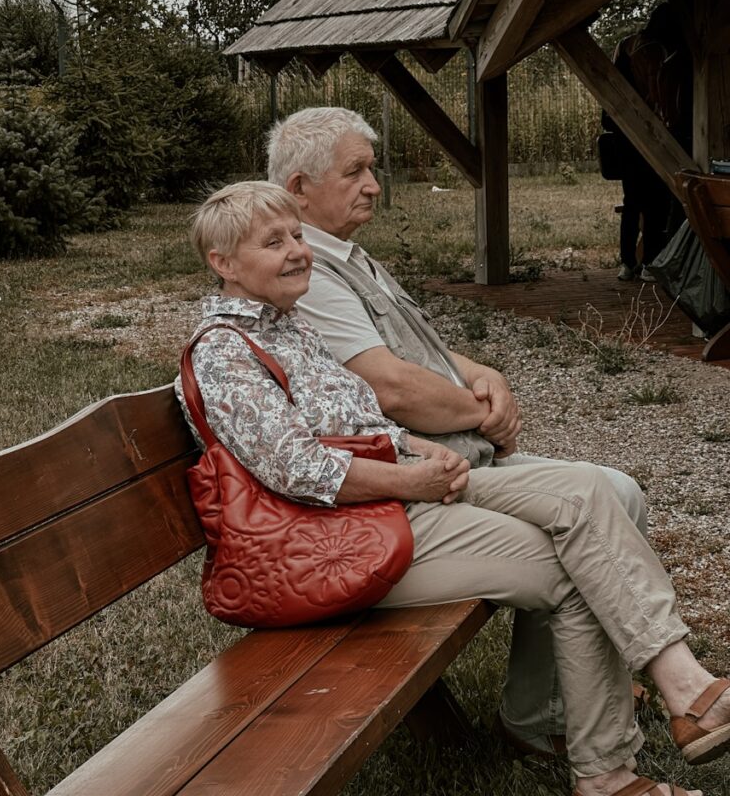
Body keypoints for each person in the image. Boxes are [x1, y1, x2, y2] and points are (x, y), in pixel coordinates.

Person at [176, 180, 730, 796]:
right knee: (580, 567)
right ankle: (610, 771)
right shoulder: (225, 352)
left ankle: (679, 681)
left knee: (588, 492)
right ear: (222, 264)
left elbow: (355, 422)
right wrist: (409, 475)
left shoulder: (288, 324)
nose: (298, 250)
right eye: (272, 242)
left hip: (388, 502)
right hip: (337, 542)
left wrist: (417, 448)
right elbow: (298, 470)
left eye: (298, 235)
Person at [267, 104, 650, 758]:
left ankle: (550, 701)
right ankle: (556, 717)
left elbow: (429, 358)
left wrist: (486, 376)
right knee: (581, 530)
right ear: (298, 188)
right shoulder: (310, 276)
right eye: (355, 171)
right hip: (416, 486)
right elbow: (390, 386)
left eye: (372, 169)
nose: (374, 184)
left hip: (460, 463)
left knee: (621, 493)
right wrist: (479, 414)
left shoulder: (348, 257)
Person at [600, 3, 692, 282]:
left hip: (624, 135)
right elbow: (667, 102)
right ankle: (651, 261)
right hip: (654, 137)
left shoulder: (626, 46)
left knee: (632, 202)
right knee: (657, 202)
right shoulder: (665, 52)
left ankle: (628, 263)